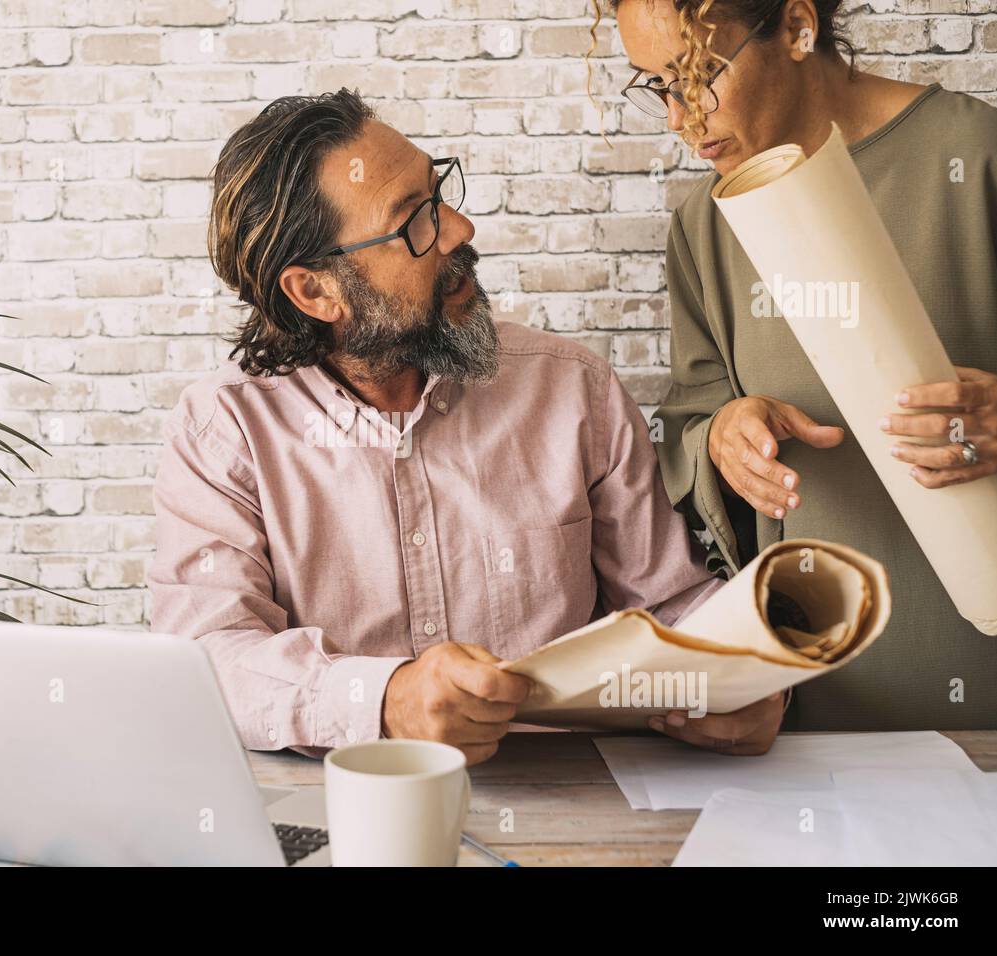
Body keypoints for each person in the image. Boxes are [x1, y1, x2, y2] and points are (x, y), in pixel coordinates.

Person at [146, 89, 789, 765]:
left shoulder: (574, 391)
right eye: (414, 222)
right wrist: (387, 700)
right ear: (315, 292)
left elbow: (670, 609)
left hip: (571, 807)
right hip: (345, 810)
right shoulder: (224, 432)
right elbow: (210, 654)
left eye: (438, 194)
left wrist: (745, 679)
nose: (458, 231)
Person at [601, 0, 997, 728]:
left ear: (796, 27)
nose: (679, 118)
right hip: (803, 712)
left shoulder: (978, 156)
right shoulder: (705, 225)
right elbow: (689, 419)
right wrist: (722, 432)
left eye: (699, 74)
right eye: (658, 84)